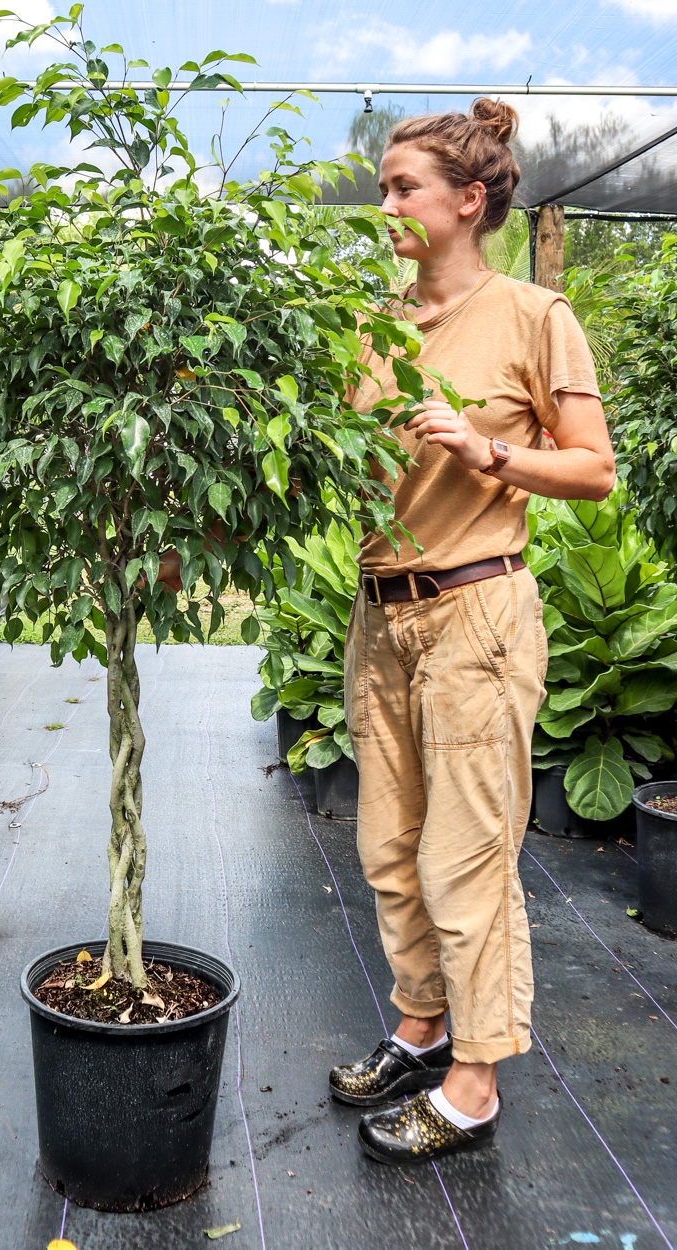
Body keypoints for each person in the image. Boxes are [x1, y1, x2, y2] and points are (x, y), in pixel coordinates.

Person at [327, 98, 615, 1165]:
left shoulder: (535, 316)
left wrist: (486, 452)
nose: (386, 202)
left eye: (403, 186)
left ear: (468, 198)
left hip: (477, 614)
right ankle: (419, 1026)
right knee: (388, 852)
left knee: (465, 858)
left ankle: (474, 1080)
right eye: (386, 185)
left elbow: (590, 468)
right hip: (379, 614)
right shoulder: (367, 326)